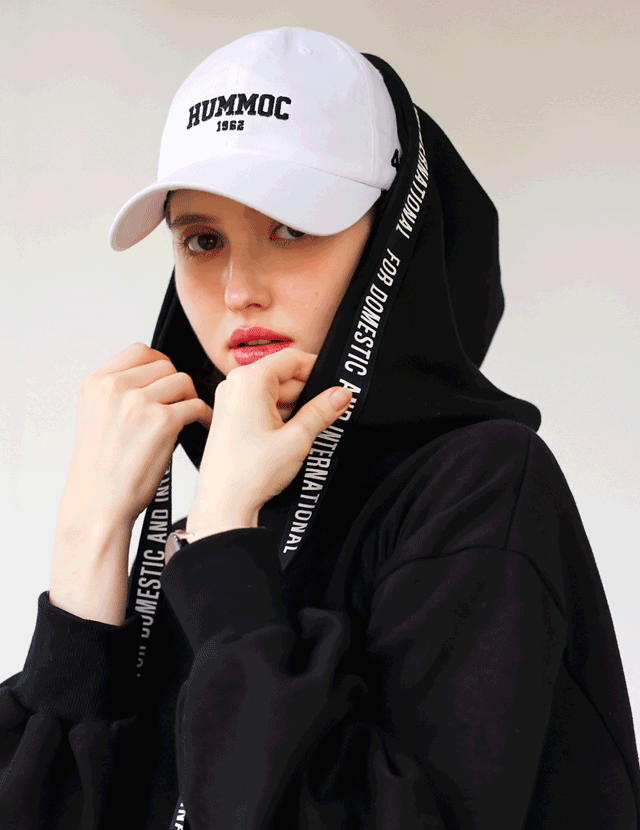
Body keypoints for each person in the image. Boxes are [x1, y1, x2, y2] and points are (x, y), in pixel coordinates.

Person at [1, 26, 638, 830]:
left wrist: (227, 553)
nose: (239, 289)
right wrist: (89, 543)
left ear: (392, 240)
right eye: (202, 240)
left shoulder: (484, 487)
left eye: (292, 228)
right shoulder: (211, 526)